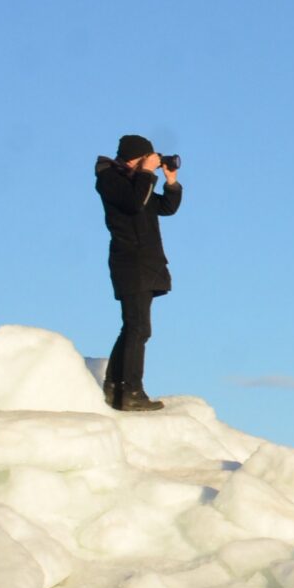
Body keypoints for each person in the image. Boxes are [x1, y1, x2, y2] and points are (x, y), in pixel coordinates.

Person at [93, 133, 185, 410]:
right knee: (137, 328)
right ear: (135, 157)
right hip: (129, 262)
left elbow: (165, 208)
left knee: (136, 328)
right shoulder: (111, 180)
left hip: (146, 263)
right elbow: (133, 204)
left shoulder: (137, 183)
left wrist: (171, 182)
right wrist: (146, 173)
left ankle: (116, 385)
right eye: (146, 158)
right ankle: (130, 391)